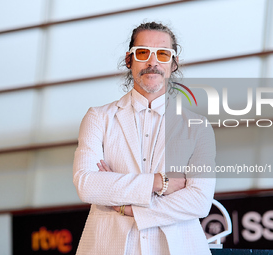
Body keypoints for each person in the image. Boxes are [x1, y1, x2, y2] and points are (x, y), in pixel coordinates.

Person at [73, 21, 216, 255]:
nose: (152, 62)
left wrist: (129, 207)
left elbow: (199, 200)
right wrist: (160, 182)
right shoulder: (97, 117)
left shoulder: (198, 127)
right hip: (108, 246)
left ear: (173, 63)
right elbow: (87, 185)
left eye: (162, 54)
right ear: (129, 60)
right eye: (143, 53)